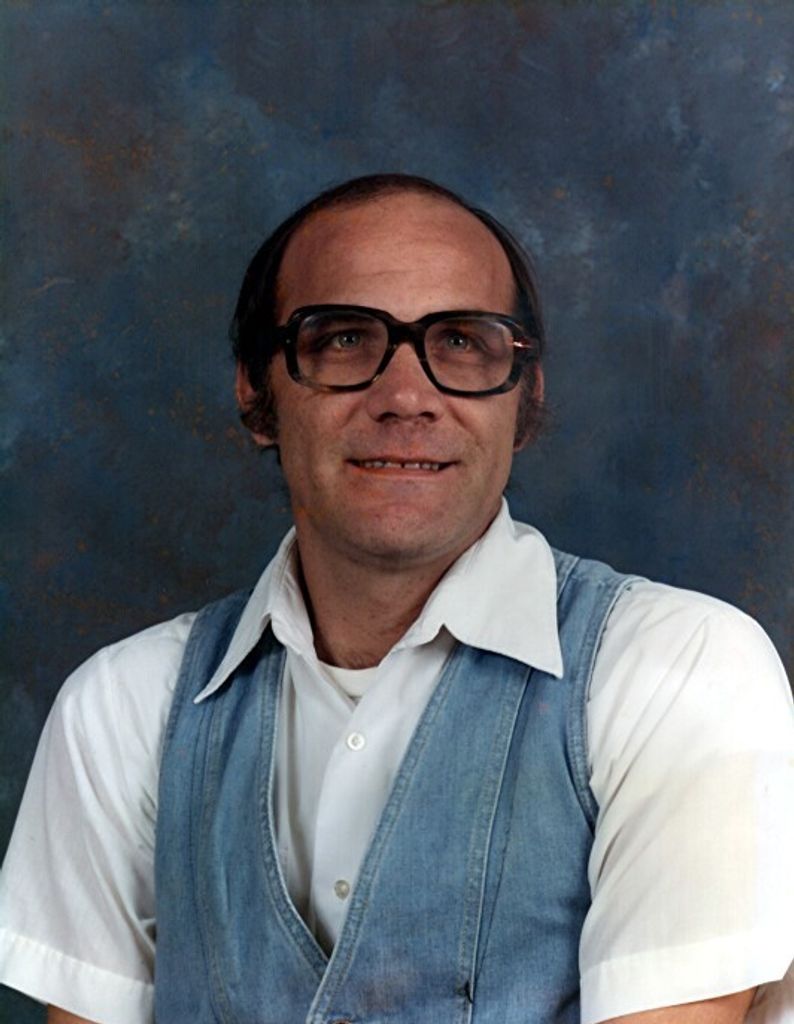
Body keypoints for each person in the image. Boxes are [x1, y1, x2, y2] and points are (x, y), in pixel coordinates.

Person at [1, 174, 792, 1024]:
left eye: (460, 341)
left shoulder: (679, 673)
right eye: (344, 339)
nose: (407, 397)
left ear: (526, 396)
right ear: (256, 393)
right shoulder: (121, 710)